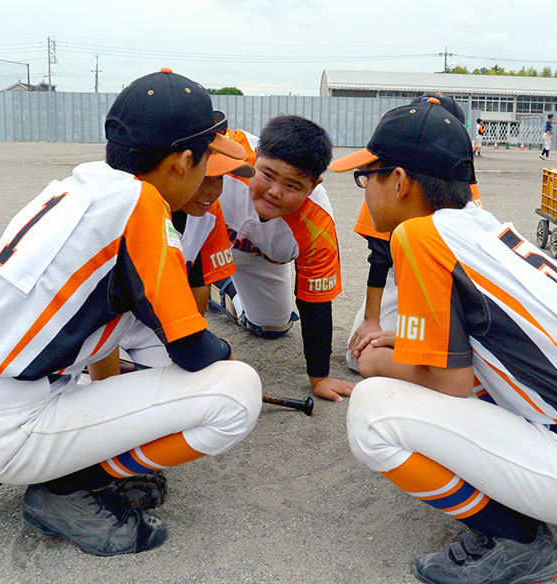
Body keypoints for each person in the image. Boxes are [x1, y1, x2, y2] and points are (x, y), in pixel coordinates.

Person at [0, 69, 264, 556]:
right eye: (206, 161)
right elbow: (195, 351)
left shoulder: (86, 183)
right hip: (11, 424)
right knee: (238, 390)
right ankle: (66, 487)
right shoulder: (141, 204)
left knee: (142, 338)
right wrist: (225, 350)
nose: (208, 175)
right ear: (183, 162)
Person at [331, 102, 557, 584]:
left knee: (372, 411)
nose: (366, 188)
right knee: (419, 372)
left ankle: (519, 537)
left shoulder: (419, 235)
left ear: (400, 180)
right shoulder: (477, 222)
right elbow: (487, 337)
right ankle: (526, 504)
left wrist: (373, 360)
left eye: (368, 177)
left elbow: (450, 381)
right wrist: (401, 341)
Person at [208, 115, 354, 402]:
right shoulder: (228, 154)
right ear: (256, 157)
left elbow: (316, 304)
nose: (275, 192)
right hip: (210, 241)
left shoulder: (317, 223)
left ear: (313, 187)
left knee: (273, 327)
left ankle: (225, 289)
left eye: (292, 186)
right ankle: (212, 276)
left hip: (259, 259)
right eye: (268, 175)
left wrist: (319, 376)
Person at [345, 93, 481, 372]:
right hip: (411, 276)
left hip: (448, 281)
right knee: (364, 351)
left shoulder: (415, 216)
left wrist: (377, 361)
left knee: (365, 360)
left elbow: (454, 381)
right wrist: (373, 319)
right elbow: (380, 254)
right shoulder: (395, 192)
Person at [120, 112, 255, 369]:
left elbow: (198, 284)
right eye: (205, 176)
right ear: (182, 166)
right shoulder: (134, 205)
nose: (213, 191)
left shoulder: (209, 212)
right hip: (107, 332)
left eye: (220, 178)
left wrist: (193, 345)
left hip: (155, 329)